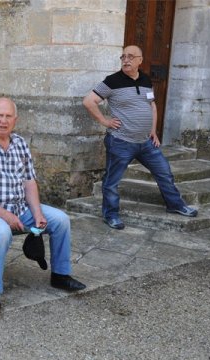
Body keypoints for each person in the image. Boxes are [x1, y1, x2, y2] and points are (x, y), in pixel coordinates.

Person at [0, 97, 86, 312]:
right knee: (0, 231)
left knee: (61, 219)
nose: (3, 120)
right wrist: (5, 216)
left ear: (15, 120)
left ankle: (60, 275)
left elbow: (29, 181)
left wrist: (37, 213)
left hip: (18, 208)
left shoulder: (19, 143)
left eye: (8, 116)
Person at [83, 45, 198, 230]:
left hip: (145, 142)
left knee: (164, 172)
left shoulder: (145, 80)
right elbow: (89, 102)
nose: (126, 60)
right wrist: (105, 121)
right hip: (121, 141)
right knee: (112, 181)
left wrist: (153, 130)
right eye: (123, 57)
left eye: (130, 56)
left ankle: (175, 205)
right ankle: (110, 215)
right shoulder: (112, 81)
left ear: (140, 60)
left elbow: (151, 105)